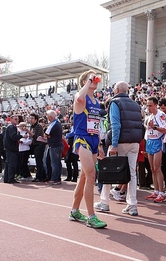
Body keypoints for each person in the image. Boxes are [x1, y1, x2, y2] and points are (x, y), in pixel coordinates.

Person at [94, 81, 142, 216]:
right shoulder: (135, 104)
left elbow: (116, 125)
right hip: (134, 142)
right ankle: (132, 205)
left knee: (108, 171)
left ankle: (104, 202)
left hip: (120, 141)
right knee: (132, 174)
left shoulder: (115, 103)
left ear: (116, 90)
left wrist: (114, 144)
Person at [70, 70, 106, 229]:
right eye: (92, 78)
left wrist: (99, 145)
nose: (95, 80)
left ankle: (74, 210)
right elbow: (79, 98)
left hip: (93, 140)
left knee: (84, 177)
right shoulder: (81, 98)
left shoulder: (96, 101)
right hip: (82, 139)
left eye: (96, 78)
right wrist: (89, 80)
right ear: (85, 81)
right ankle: (91, 216)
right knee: (91, 174)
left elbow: (96, 125)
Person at [144, 96, 166, 203]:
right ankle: (156, 190)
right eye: (147, 106)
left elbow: (165, 129)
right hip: (149, 141)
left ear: (155, 105)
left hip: (158, 142)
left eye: (150, 105)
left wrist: (154, 127)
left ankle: (161, 192)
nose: (149, 108)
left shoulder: (161, 115)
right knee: (152, 168)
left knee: (157, 168)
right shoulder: (149, 117)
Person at [3, 114, 26, 184]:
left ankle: (7, 178)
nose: (17, 120)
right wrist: (22, 136)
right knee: (12, 164)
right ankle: (10, 178)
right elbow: (13, 137)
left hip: (10, 148)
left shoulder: (12, 127)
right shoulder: (11, 127)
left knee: (8, 164)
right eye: (15, 119)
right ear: (11, 119)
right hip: (11, 148)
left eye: (18, 119)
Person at [44, 110, 63, 185]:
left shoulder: (53, 123)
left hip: (54, 145)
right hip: (58, 144)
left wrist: (48, 136)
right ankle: (58, 178)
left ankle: (55, 178)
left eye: (47, 116)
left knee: (54, 163)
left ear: (50, 117)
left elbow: (46, 134)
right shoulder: (58, 123)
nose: (47, 118)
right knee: (58, 162)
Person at [28, 113, 47, 182]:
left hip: (39, 145)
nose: (30, 120)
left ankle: (39, 176)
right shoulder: (31, 126)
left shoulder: (38, 126)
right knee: (38, 161)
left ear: (36, 119)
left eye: (32, 118)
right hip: (34, 145)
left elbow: (36, 137)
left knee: (39, 161)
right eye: (30, 118)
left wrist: (29, 132)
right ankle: (42, 175)